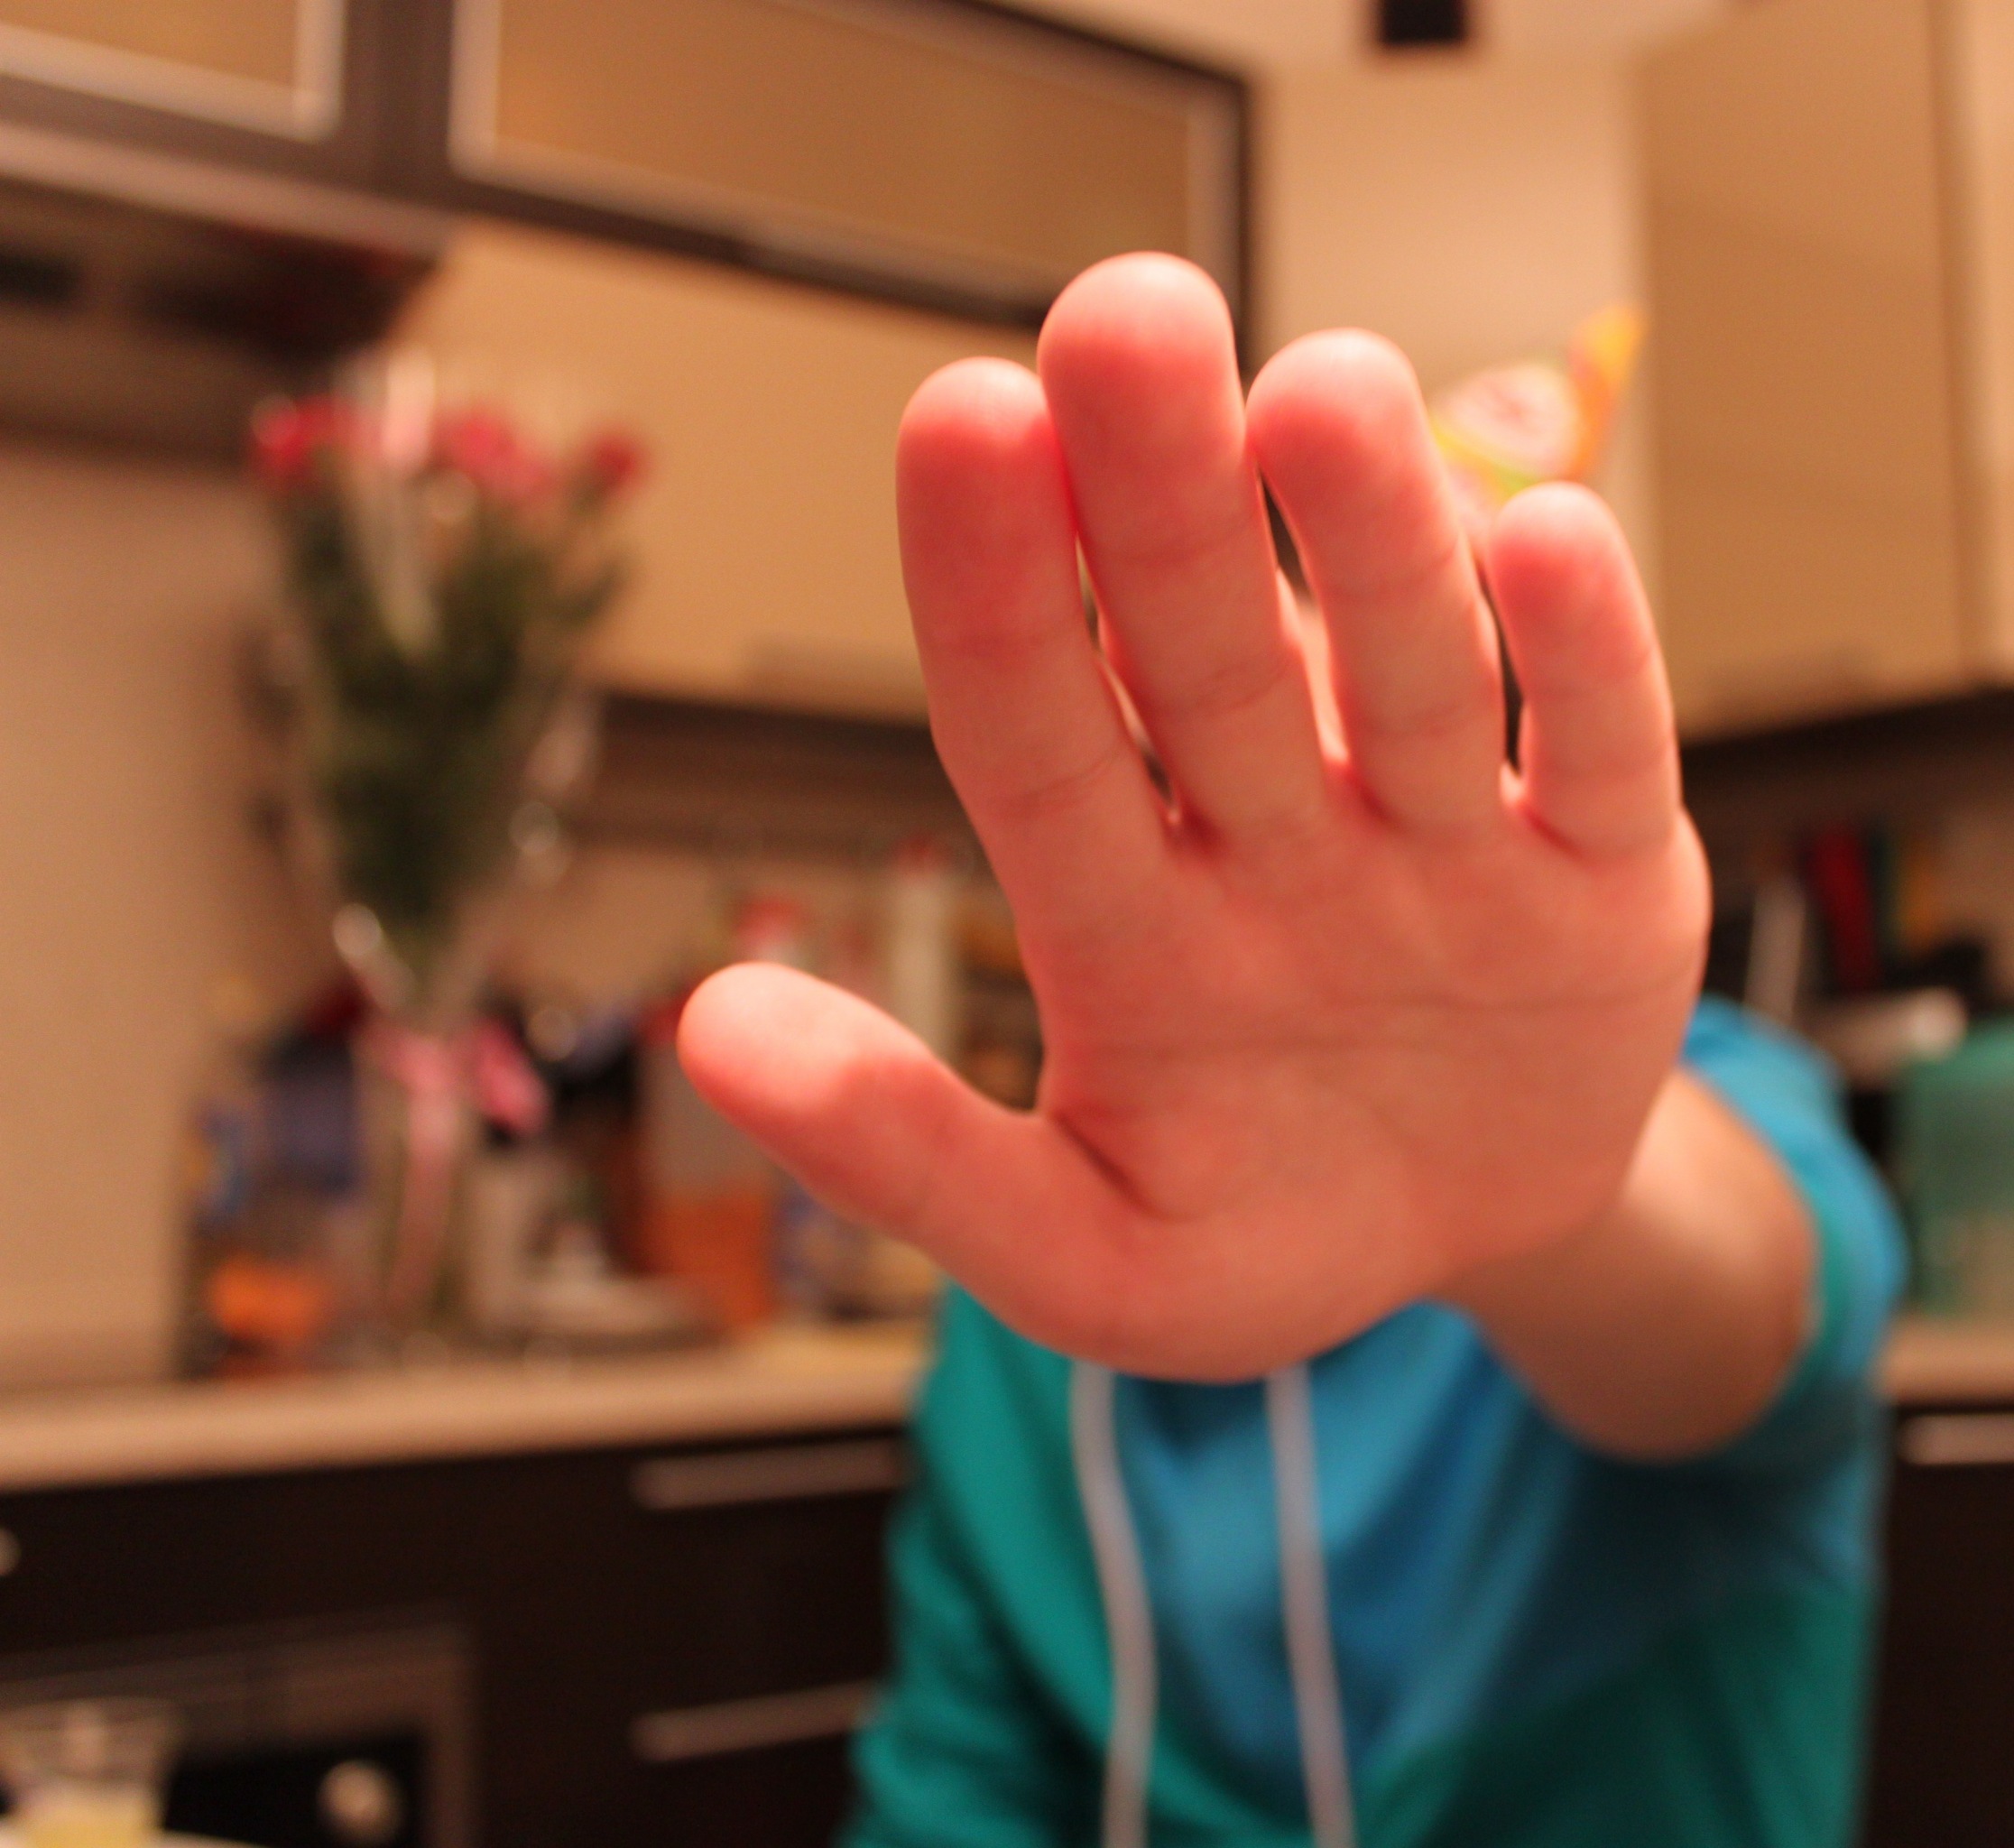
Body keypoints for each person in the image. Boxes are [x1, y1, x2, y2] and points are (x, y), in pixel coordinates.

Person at [678, 254, 1902, 1846]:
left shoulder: (1707, 1102)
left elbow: (1753, 1319)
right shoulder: (1034, 1281)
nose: (1306, 732)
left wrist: (1537, 1210)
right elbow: (958, 1795)